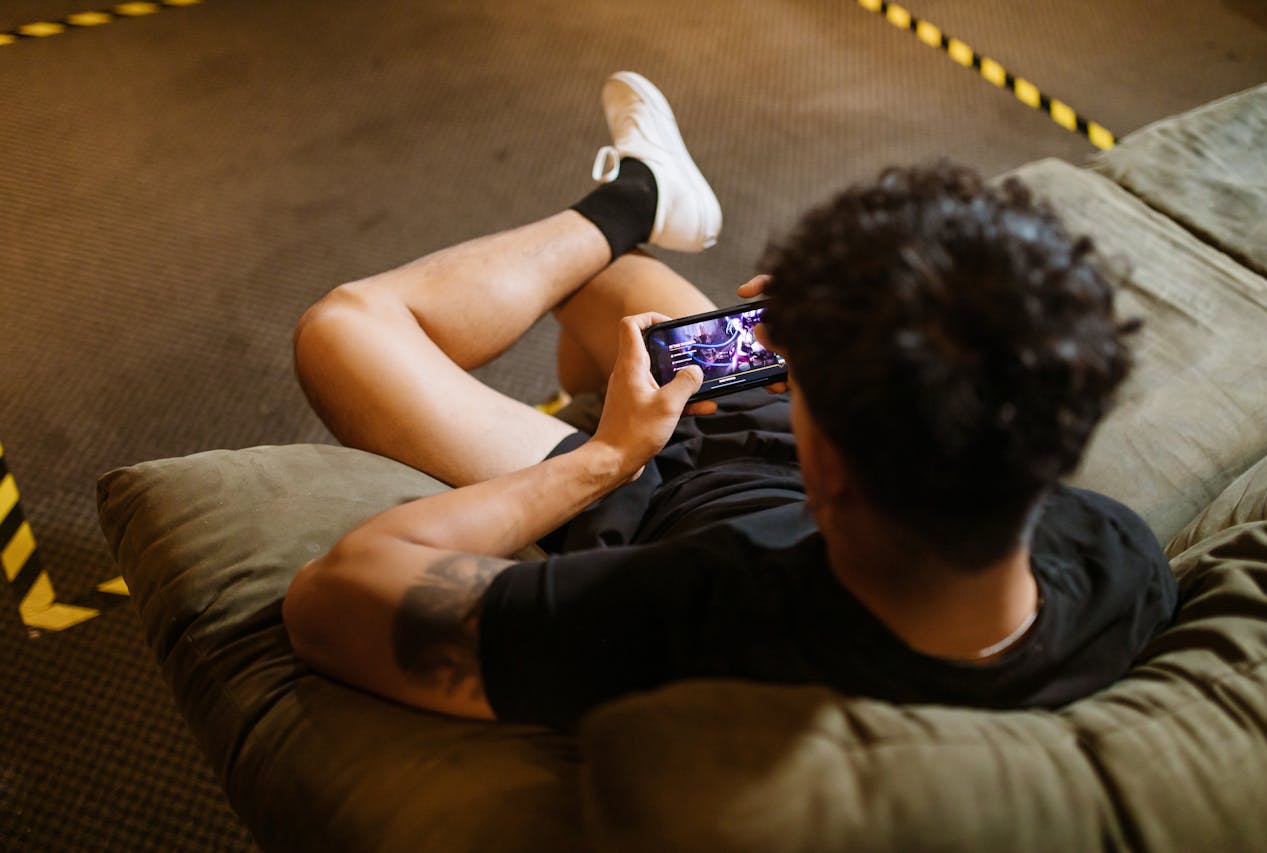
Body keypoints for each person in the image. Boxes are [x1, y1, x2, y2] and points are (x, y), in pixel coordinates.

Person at [282, 71, 1177, 732]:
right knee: (618, 293)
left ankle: (634, 198)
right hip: (783, 455)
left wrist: (607, 457)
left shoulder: (693, 616)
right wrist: (861, 329)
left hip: (646, 491)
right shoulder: (1118, 563)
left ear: (825, 457)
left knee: (345, 326)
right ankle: (636, 238)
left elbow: (332, 599)